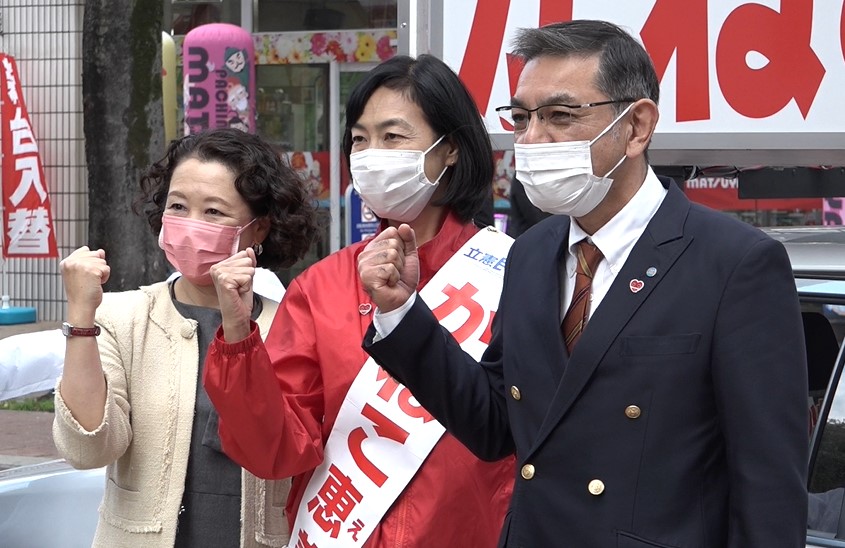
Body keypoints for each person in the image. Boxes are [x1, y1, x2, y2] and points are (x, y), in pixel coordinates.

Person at [358, 21, 809, 547]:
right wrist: (401, 312)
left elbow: (769, 490)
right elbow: (496, 423)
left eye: (560, 116)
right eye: (522, 118)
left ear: (637, 126)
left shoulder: (734, 263)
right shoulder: (531, 253)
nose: (532, 139)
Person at [203, 54, 514, 547]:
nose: (371, 155)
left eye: (393, 136)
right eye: (360, 139)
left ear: (451, 149)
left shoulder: (513, 274)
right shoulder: (321, 286)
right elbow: (275, 451)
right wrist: (240, 337)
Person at [52, 128, 319, 547]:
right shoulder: (122, 318)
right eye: (178, 206)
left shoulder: (296, 327)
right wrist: (81, 318)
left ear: (260, 228)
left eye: (213, 211)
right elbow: (88, 450)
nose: (192, 226)